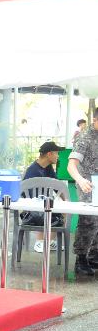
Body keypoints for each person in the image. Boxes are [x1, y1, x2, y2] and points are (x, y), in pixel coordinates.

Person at [67, 110, 98, 276]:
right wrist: (80, 180)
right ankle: (81, 258)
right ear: (95, 119)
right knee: (88, 220)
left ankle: (94, 256)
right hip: (87, 183)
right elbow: (71, 165)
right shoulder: (84, 137)